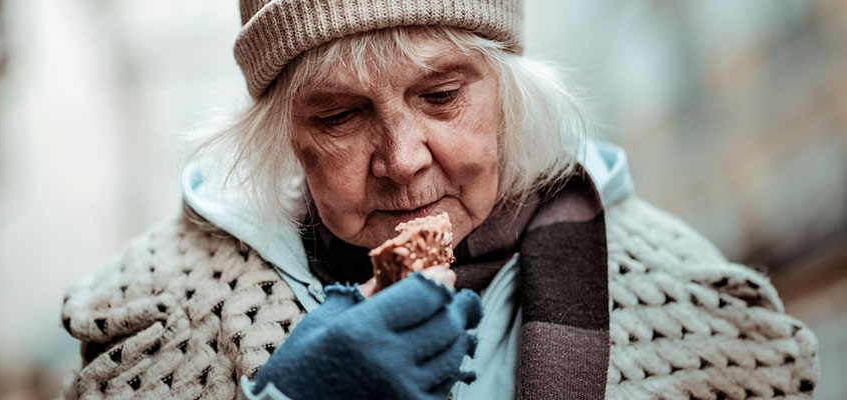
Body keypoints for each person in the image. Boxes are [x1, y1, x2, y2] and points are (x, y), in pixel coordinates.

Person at [58, 1, 820, 399]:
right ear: (286, 137)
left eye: (441, 95)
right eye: (340, 116)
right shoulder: (164, 316)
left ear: (509, 98)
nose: (402, 159)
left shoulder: (694, 299)